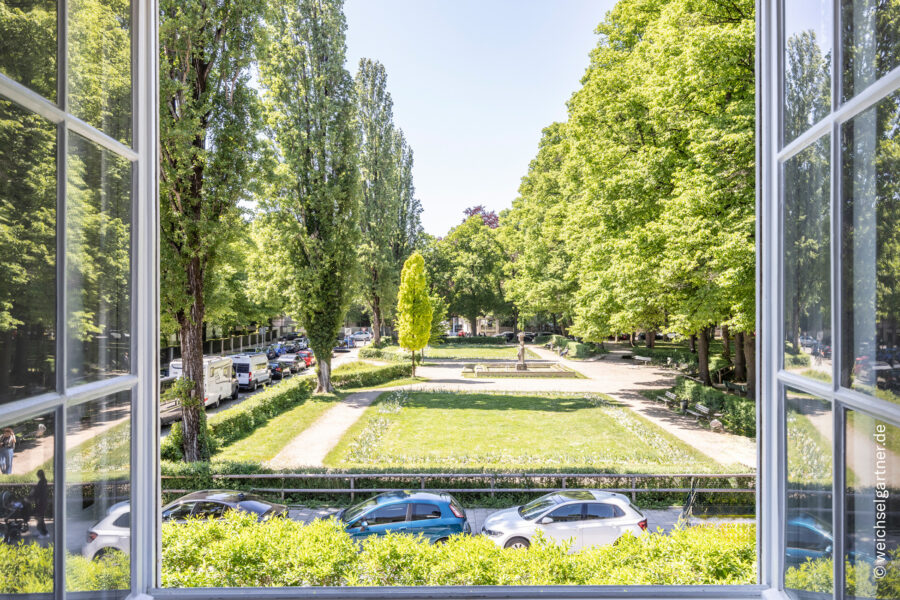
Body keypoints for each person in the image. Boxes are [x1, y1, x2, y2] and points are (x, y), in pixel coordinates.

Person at [29, 470, 49, 537]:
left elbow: (38, 492)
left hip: (41, 503)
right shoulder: (43, 482)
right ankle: (40, 531)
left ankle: (44, 533)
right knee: (39, 517)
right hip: (42, 502)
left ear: (39, 475)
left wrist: (33, 492)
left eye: (38, 475)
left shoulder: (42, 482)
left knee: (40, 518)